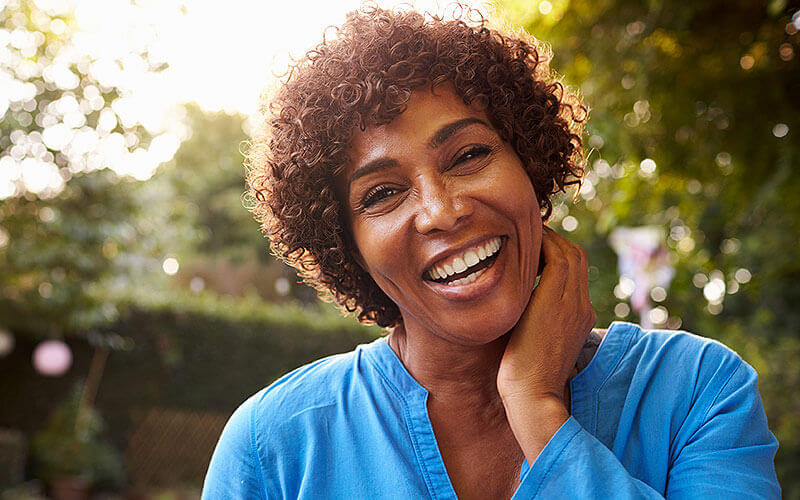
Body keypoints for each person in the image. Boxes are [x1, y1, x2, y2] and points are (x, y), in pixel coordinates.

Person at [202, 4, 781, 499]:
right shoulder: (274, 446)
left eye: (469, 155)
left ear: (530, 165)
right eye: (382, 193)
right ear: (346, 246)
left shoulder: (698, 390)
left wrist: (537, 408)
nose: (442, 210)